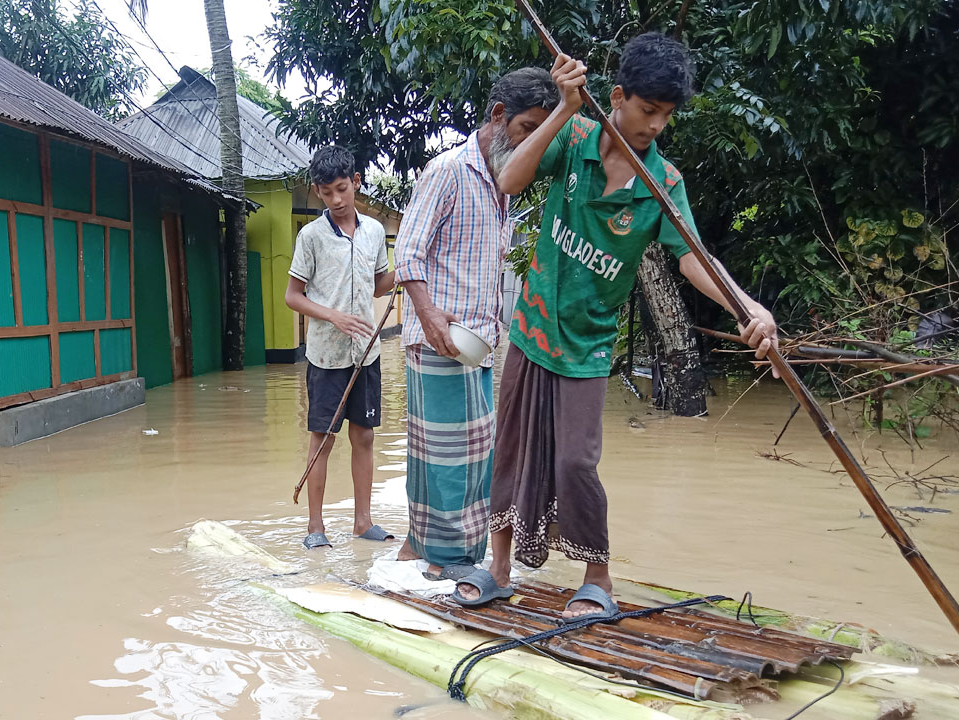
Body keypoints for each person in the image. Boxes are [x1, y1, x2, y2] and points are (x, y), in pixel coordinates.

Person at [453, 33, 781, 612]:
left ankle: (597, 579)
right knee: (508, 446)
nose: (656, 125)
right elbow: (509, 181)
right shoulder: (574, 134)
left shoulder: (663, 183)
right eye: (648, 110)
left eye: (666, 116)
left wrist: (746, 307)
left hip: (588, 345)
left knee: (576, 461)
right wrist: (563, 107)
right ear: (620, 96)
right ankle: (497, 567)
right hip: (532, 329)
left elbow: (692, 258)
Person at [392, 68, 560, 580]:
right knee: (455, 460)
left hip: (476, 343)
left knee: (441, 452)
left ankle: (420, 548)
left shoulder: (503, 184)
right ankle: (453, 561)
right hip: (441, 338)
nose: (531, 140)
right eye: (527, 127)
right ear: (497, 116)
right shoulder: (449, 171)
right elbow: (408, 253)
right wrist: (428, 314)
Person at [285, 145, 396, 549]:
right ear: (318, 191)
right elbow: (293, 296)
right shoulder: (310, 237)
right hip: (326, 356)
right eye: (328, 192)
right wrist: (332, 315)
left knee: (364, 436)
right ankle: (316, 527)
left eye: (343, 189)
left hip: (367, 352)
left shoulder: (372, 232)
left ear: (356, 184)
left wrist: (404, 272)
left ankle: (363, 522)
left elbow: (378, 282)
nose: (336, 199)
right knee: (323, 438)